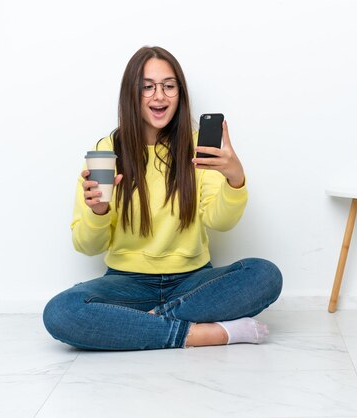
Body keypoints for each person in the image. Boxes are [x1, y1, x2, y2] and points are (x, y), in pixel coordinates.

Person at [43, 46, 282, 350]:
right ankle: (202, 334)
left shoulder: (197, 147)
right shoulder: (108, 149)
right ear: (132, 94)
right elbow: (87, 246)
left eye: (169, 86)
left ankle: (144, 324)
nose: (159, 96)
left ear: (179, 94)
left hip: (192, 282)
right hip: (127, 282)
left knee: (265, 275)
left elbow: (219, 222)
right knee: (61, 312)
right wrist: (99, 211)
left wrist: (235, 180)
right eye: (147, 87)